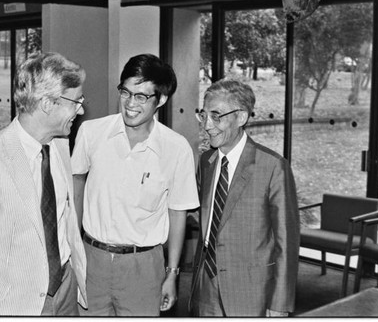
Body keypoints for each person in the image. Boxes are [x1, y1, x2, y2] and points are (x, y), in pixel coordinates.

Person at [0, 52, 87, 316]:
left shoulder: (59, 146)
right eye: (76, 101)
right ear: (48, 103)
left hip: (66, 290)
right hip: (18, 304)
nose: (81, 109)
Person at [71, 53, 199, 316]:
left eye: (141, 97)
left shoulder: (176, 149)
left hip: (143, 266)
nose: (130, 103)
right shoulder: (91, 133)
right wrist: (73, 251)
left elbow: (178, 214)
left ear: (161, 99)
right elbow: (76, 187)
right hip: (91, 258)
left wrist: (172, 274)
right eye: (125, 93)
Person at [189, 78, 300, 317]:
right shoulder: (206, 162)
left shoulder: (272, 166)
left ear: (241, 117)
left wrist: (280, 303)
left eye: (216, 116)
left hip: (251, 291)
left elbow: (286, 243)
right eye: (203, 115)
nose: (207, 125)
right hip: (205, 284)